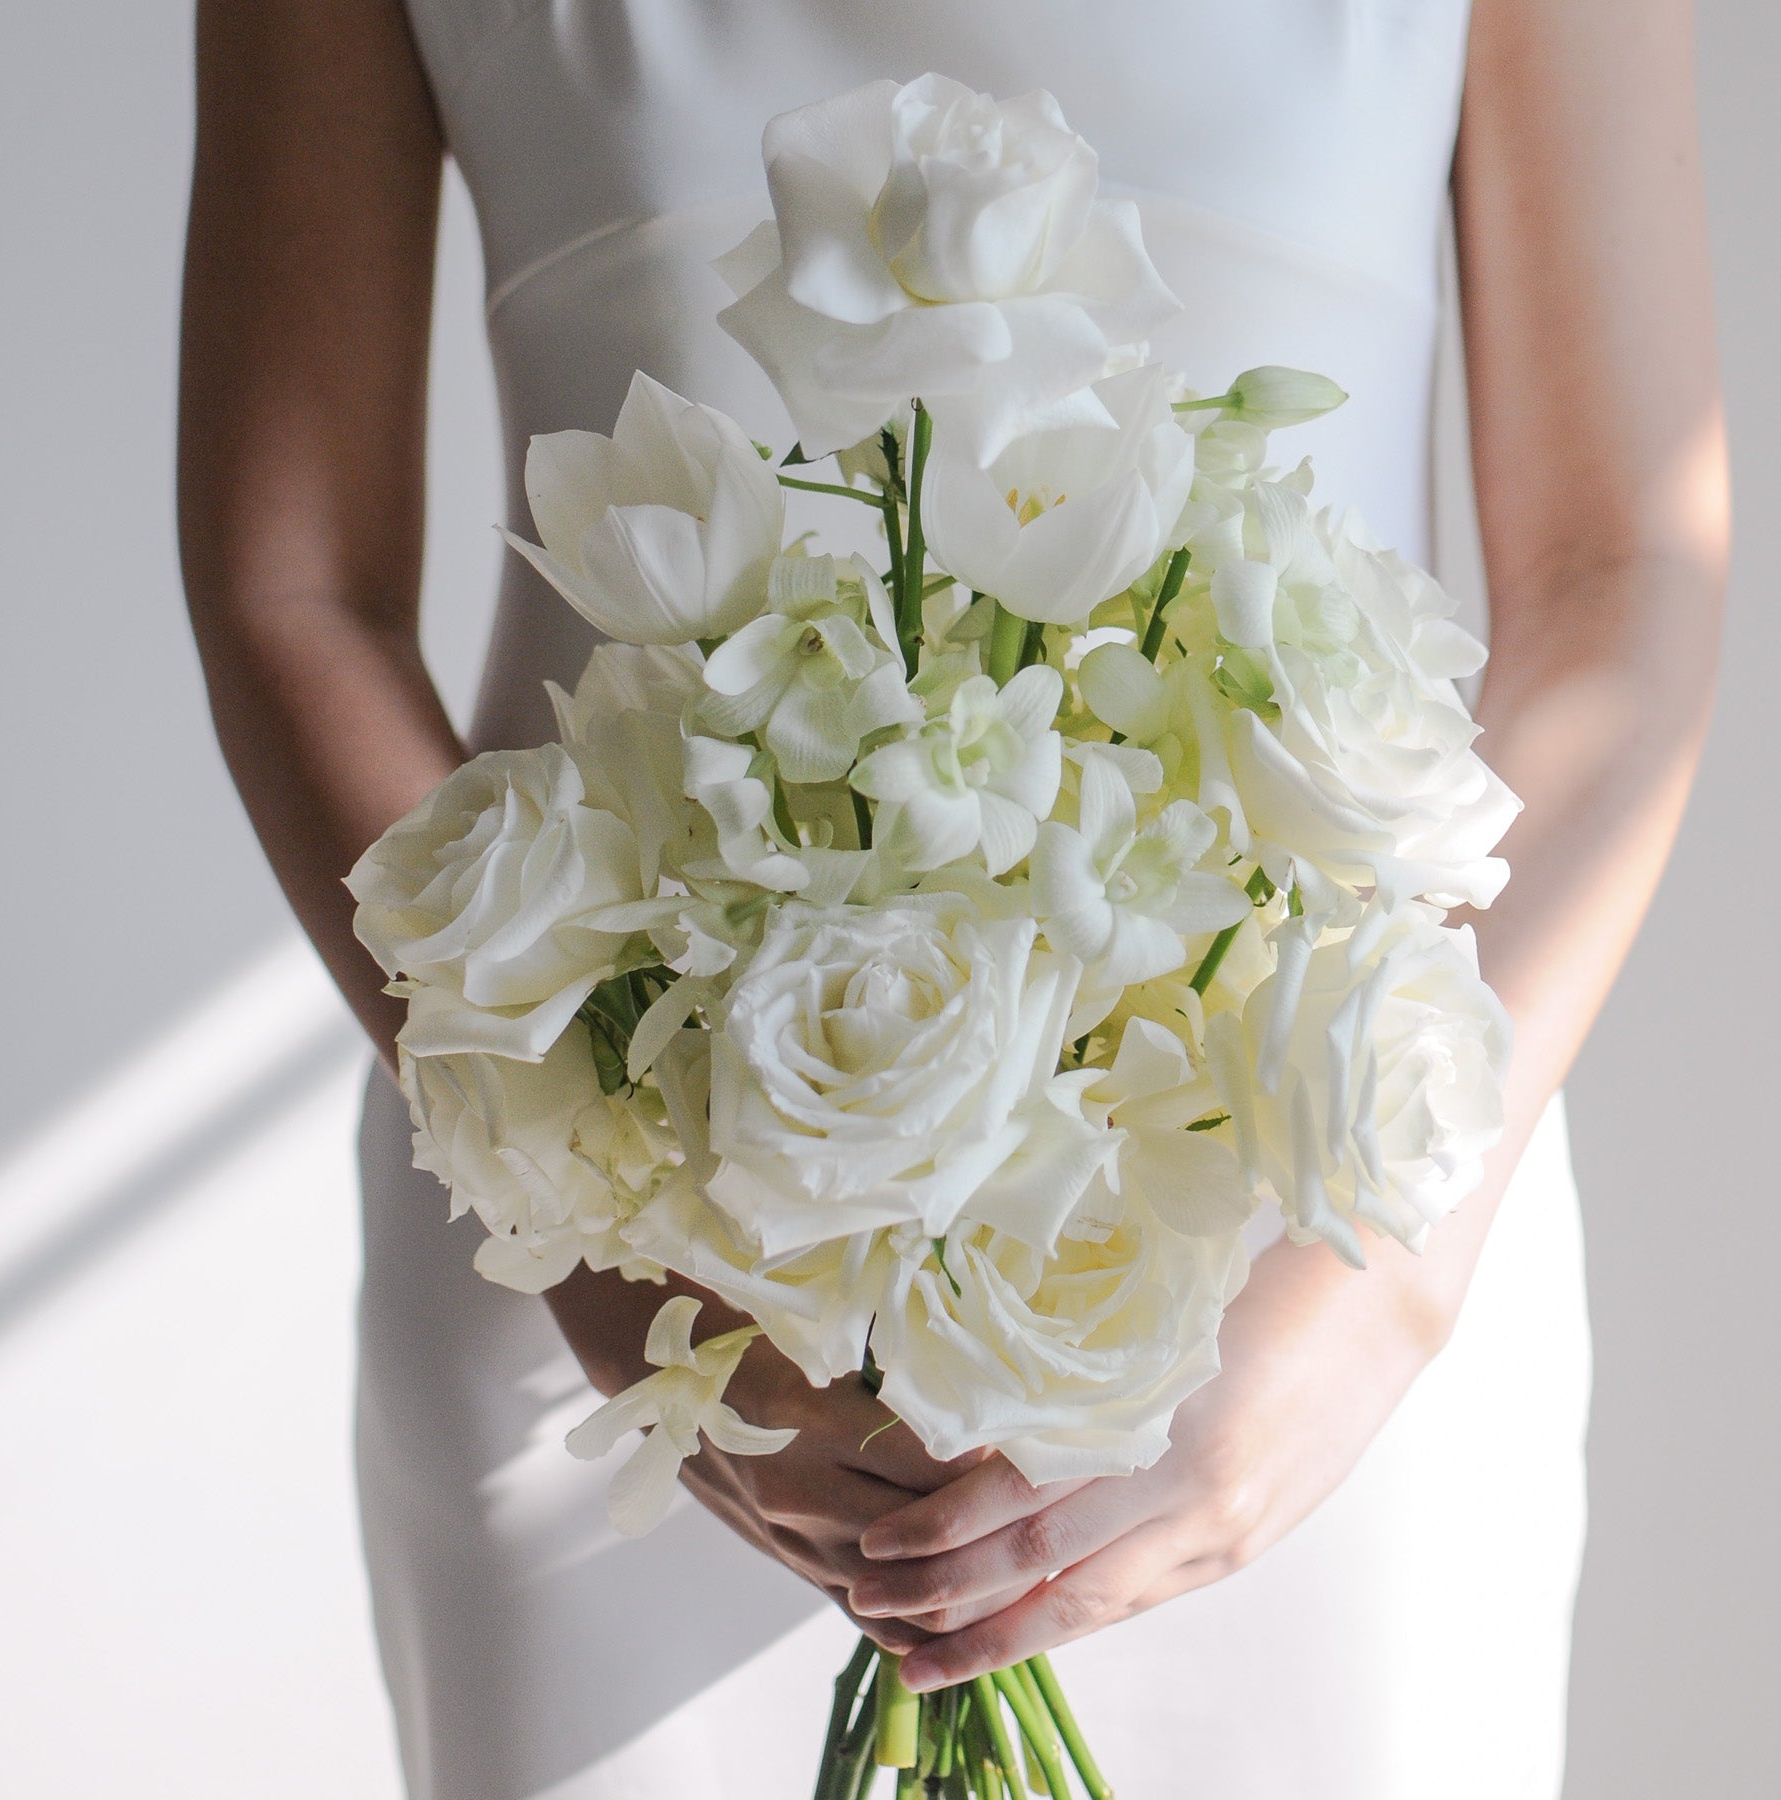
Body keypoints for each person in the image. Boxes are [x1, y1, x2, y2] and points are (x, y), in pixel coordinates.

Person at [177, 3, 1727, 1795]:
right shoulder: (618, 1295)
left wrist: (1369, 1301)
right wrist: (615, 1267)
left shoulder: (1352, 1309)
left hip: (1327, 1260)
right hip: (621, 1293)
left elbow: (1622, 567)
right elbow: (297, 584)